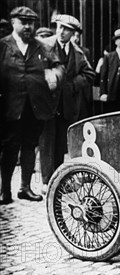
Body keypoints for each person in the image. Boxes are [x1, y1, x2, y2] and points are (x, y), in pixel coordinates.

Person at [0, 6, 64, 204]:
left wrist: (55, 75)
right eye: (23, 22)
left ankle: (25, 188)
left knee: (30, 146)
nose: (28, 26)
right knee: (9, 148)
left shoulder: (42, 46)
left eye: (31, 23)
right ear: (13, 23)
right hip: (10, 108)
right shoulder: (3, 46)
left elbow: (58, 64)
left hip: (35, 107)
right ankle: (5, 191)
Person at [38, 14, 94, 193]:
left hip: (67, 105)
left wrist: (71, 85)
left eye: (66, 29)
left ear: (74, 33)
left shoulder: (77, 52)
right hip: (47, 103)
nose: (61, 32)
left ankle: (57, 178)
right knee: (47, 142)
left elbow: (90, 75)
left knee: (61, 142)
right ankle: (46, 182)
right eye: (59, 27)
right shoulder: (44, 45)